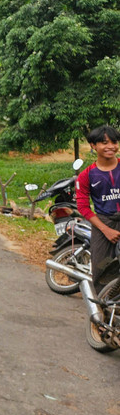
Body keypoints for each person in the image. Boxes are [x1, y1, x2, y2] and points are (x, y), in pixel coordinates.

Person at [76, 124, 120, 290]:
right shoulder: (86, 175)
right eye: (104, 143)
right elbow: (83, 207)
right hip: (104, 223)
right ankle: (103, 303)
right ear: (93, 146)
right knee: (101, 268)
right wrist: (105, 230)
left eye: (114, 142)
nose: (111, 147)